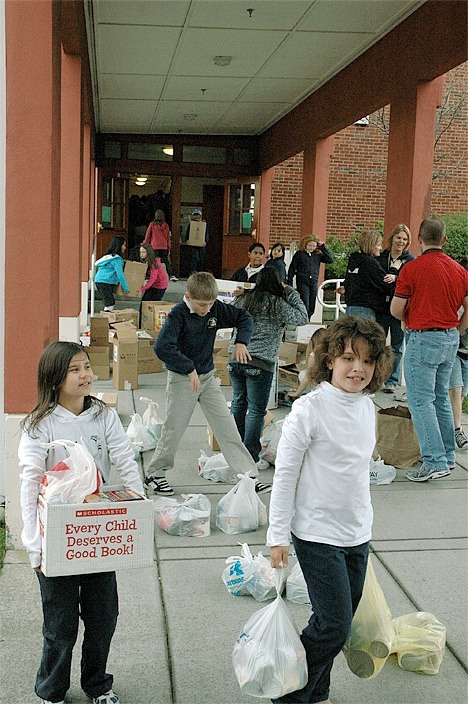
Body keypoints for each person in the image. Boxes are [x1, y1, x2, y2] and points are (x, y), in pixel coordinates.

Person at [267, 316, 393, 704]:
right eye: (349, 358)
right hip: (316, 533)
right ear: (329, 361)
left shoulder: (367, 408)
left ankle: (317, 691)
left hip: (357, 534)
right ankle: (288, 694)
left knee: (334, 621)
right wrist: (277, 536)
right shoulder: (309, 410)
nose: (358, 369)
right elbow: (285, 476)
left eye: (368, 362)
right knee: (334, 627)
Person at [18, 341, 144, 704]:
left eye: (86, 366)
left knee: (103, 616)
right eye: (75, 370)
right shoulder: (38, 425)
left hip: (95, 533)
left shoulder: (102, 415)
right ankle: (52, 691)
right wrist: (34, 545)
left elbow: (123, 457)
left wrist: (138, 504)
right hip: (55, 537)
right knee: (60, 627)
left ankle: (97, 684)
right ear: (55, 379)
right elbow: (29, 482)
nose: (85, 375)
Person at [144, 272, 271, 496]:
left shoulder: (216, 310)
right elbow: (162, 347)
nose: (206, 309)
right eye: (202, 304)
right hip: (183, 380)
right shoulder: (178, 315)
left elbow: (244, 317)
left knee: (227, 427)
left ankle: (247, 475)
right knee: (174, 429)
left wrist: (242, 341)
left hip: (207, 378)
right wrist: (188, 367)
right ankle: (155, 474)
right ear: (188, 296)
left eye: (210, 304)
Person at [390, 217, 468, 482]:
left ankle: (434, 462)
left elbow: (396, 309)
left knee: (421, 400)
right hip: (449, 337)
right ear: (444, 240)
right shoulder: (459, 270)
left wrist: (406, 319)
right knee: (441, 398)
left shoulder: (412, 269)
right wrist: (458, 329)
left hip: (423, 337)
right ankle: (446, 457)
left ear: (420, 239)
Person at [228, 267, 308, 467]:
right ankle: (250, 456)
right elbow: (302, 318)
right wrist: (290, 291)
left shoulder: (243, 300)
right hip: (260, 362)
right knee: (256, 410)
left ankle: (235, 452)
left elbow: (228, 313)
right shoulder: (277, 304)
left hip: (235, 359)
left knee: (238, 403)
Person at [376, 224, 415, 392]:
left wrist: (397, 277)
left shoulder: (410, 260)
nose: (401, 241)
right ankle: (376, 378)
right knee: (378, 344)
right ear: (391, 239)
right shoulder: (380, 257)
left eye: (405, 239)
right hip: (381, 307)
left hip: (400, 310)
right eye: (398, 237)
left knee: (397, 346)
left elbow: (412, 283)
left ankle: (392, 381)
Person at [344, 229, 393, 320]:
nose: (380, 248)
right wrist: (394, 271)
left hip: (350, 308)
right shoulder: (370, 263)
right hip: (365, 310)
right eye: (378, 245)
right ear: (371, 245)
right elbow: (384, 283)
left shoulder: (354, 260)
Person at [287, 235, 333, 319]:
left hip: (313, 281)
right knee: (305, 301)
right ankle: (304, 318)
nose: (311, 248)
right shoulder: (300, 254)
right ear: (305, 245)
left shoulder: (317, 255)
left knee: (312, 303)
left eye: (314, 246)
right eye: (310, 245)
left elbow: (330, 259)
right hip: (302, 281)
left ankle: (309, 317)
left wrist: (322, 248)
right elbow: (292, 268)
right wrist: (289, 280)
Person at [288, 327, 327, 400]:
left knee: (303, 374)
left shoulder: (314, 356)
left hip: (319, 386)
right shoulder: (333, 354)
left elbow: (308, 376)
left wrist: (297, 393)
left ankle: (314, 393)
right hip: (331, 386)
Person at [94, 236, 129, 311]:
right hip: (105, 282)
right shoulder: (117, 259)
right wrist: (126, 288)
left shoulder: (107, 257)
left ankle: (107, 319)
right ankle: (105, 320)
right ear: (119, 246)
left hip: (99, 281)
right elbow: (120, 275)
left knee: (110, 302)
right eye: (124, 245)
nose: (125, 248)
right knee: (109, 304)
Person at [138, 243, 169, 325]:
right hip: (153, 285)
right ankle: (141, 322)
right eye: (140, 252)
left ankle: (153, 324)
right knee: (143, 302)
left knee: (154, 305)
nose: (141, 254)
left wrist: (143, 288)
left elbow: (153, 278)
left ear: (148, 252)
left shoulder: (154, 263)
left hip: (160, 286)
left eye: (143, 252)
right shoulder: (146, 262)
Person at [144, 209, 177, 281]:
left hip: (154, 246)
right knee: (166, 261)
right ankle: (171, 275)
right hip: (164, 246)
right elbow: (168, 237)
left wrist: (146, 244)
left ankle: (149, 275)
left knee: (152, 261)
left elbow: (148, 235)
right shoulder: (166, 225)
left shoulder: (152, 224)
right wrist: (169, 247)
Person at [185, 209, 208, 274]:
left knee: (201, 258)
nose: (196, 216)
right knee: (194, 258)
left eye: (197, 215)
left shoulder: (203, 224)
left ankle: (199, 271)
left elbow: (206, 233)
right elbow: (188, 233)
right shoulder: (191, 224)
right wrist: (187, 239)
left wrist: (205, 241)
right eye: (195, 215)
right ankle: (193, 271)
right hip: (193, 244)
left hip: (201, 244)